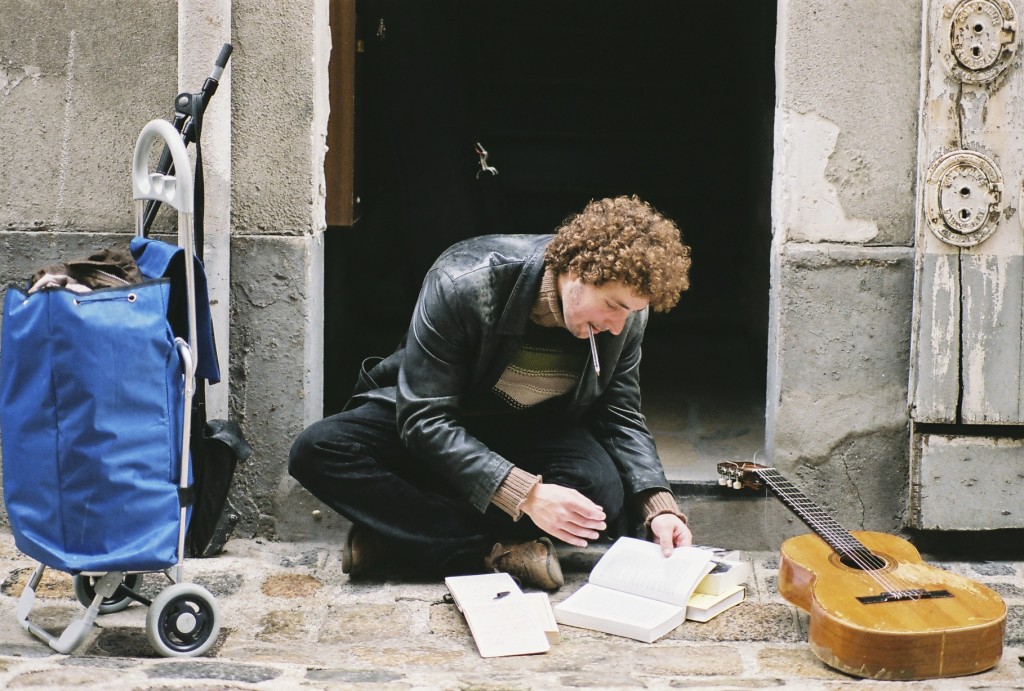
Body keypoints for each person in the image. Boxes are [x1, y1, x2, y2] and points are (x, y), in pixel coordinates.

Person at [289, 195, 693, 590]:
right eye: (613, 306)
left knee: (599, 495)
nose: (619, 325)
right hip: (439, 422)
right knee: (318, 450)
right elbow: (424, 419)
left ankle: (399, 536)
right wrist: (527, 495)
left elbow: (620, 415)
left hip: (529, 430)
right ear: (578, 270)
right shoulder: (462, 281)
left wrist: (659, 507)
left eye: (631, 312)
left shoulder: (626, 318)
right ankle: (489, 552)